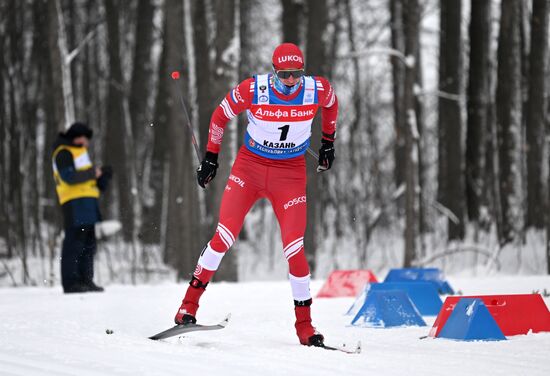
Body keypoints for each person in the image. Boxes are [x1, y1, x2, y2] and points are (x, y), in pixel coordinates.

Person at [174, 43, 338, 346]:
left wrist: (328, 140)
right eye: (285, 74)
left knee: (295, 249)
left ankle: (305, 326)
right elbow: (219, 116)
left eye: (296, 74)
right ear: (274, 71)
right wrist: (211, 157)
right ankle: (187, 307)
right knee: (223, 236)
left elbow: (331, 104)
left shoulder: (316, 89)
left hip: (289, 174)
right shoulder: (254, 89)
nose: (291, 81)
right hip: (249, 169)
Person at [52, 122, 112, 293]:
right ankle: (71, 283)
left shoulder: (81, 153)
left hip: (88, 203)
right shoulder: (63, 152)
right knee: (74, 243)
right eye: (86, 139)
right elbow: (68, 177)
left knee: (89, 244)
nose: (87, 143)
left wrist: (103, 177)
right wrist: (94, 173)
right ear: (78, 137)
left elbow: (88, 180)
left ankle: (86, 280)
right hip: (74, 203)